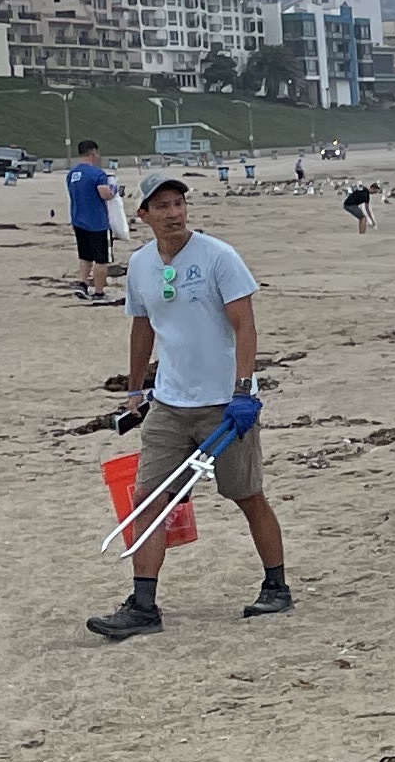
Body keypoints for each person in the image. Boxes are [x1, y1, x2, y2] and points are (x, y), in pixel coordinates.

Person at [89, 175, 293, 637]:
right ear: (143, 215)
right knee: (147, 499)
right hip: (169, 402)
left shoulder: (219, 257)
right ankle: (143, 607)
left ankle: (276, 586)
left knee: (246, 494)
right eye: (161, 206)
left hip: (224, 402)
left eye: (178, 203)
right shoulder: (141, 264)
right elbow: (142, 327)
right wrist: (135, 389)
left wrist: (244, 390)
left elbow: (245, 326)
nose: (173, 213)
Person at [65, 139, 120, 303]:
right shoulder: (97, 174)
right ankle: (98, 292)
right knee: (101, 259)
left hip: (78, 219)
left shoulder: (72, 174)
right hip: (97, 222)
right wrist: (114, 191)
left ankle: (82, 284)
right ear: (93, 152)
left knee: (85, 256)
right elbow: (105, 194)